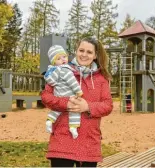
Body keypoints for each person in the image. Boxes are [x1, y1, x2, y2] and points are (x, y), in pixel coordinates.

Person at [41, 37, 113, 167]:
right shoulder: (61, 70)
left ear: (95, 55)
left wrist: (88, 106)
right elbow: (46, 96)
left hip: (89, 141)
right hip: (63, 139)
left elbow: (108, 106)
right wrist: (65, 103)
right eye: (81, 50)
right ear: (76, 51)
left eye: (89, 52)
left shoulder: (102, 79)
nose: (84, 55)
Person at [44, 45, 83, 139]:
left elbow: (51, 83)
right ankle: (73, 127)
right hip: (69, 95)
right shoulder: (65, 70)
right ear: (54, 61)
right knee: (75, 110)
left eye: (64, 57)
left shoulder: (52, 71)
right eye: (59, 58)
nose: (63, 60)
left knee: (57, 109)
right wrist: (78, 91)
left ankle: (49, 120)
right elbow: (72, 81)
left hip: (58, 95)